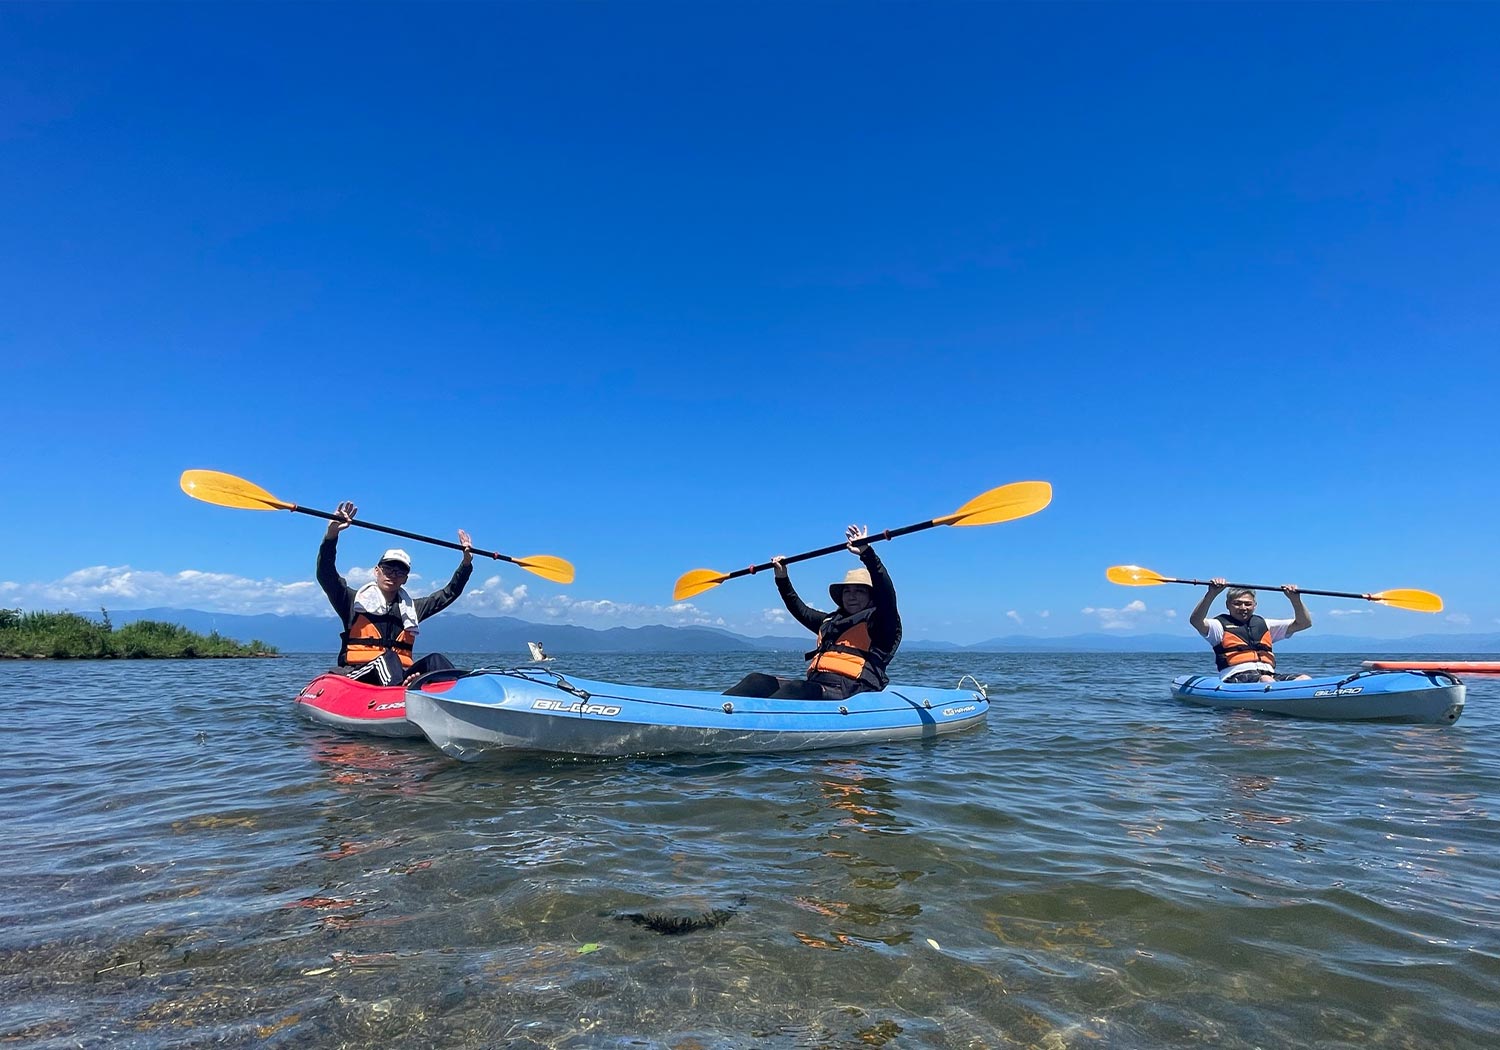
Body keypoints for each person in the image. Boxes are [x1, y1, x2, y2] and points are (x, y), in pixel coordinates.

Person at [724, 525, 902, 700]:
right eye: (848, 591)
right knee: (757, 680)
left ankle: (763, 724)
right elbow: (799, 610)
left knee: (798, 688)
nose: (852, 596)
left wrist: (866, 552)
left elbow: (886, 592)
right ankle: (712, 715)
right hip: (817, 684)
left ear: (871, 597)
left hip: (852, 690)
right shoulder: (830, 622)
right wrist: (782, 578)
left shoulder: (881, 621)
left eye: (859, 591)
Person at [316, 500, 474, 685]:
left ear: (406, 578)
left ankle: (462, 694)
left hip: (398, 672)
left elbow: (449, 593)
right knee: (388, 658)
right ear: (377, 571)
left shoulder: (413, 608)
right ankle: (400, 689)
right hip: (357, 674)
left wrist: (466, 563)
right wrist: (332, 534)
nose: (393, 575)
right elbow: (326, 574)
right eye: (388, 569)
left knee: (436, 660)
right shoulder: (351, 601)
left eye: (400, 571)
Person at [1188, 578, 1312, 683]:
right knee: (1265, 680)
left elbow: (1304, 623)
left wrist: (1295, 599)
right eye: (1237, 603)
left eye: (1248, 604)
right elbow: (1196, 621)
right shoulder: (1218, 626)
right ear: (1227, 605)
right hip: (1235, 677)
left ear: (1254, 605)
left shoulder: (1265, 625)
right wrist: (1212, 594)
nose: (1243, 608)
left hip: (1269, 675)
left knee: (1304, 678)